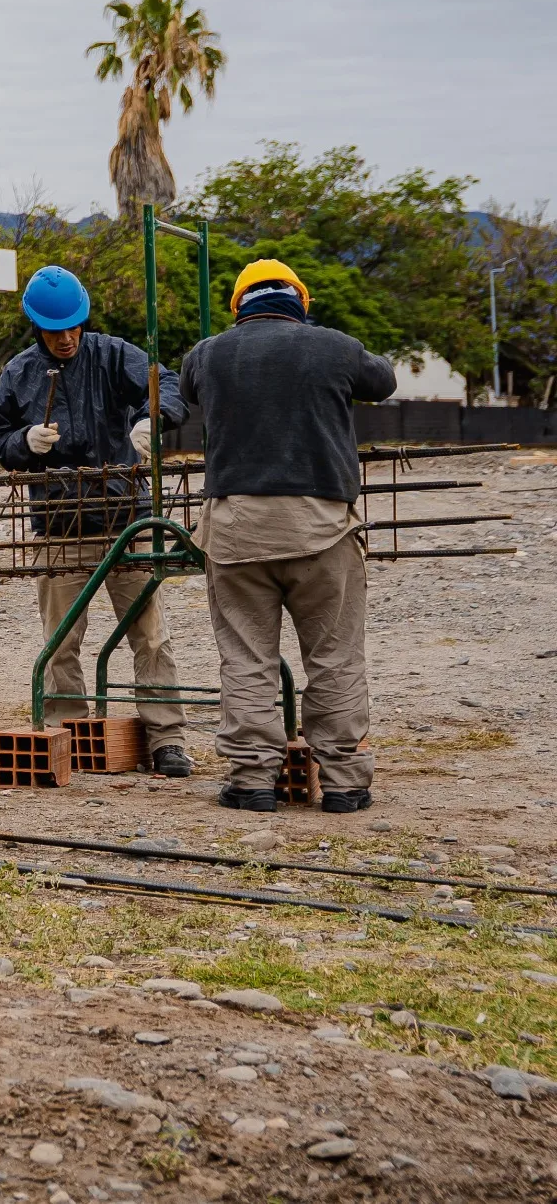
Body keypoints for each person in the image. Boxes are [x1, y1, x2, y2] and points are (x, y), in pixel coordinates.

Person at [180, 259, 397, 814]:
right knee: (334, 657)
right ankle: (345, 784)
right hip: (321, 526)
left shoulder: (207, 354)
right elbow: (384, 380)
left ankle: (252, 781)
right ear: (300, 301)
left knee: (247, 658)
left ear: (238, 307)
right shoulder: (336, 347)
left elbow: (185, 391)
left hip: (235, 530)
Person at [0, 264, 192, 776]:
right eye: (56, 330)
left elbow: (167, 384)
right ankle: (69, 733)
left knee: (150, 633)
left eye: (74, 326)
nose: (67, 337)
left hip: (126, 517)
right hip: (59, 523)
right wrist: (23, 442)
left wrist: (152, 418)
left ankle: (166, 739)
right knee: (60, 639)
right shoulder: (18, 374)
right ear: (36, 325)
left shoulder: (112, 354)